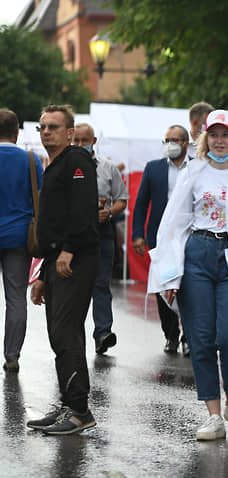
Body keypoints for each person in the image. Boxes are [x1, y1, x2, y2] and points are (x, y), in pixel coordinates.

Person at [148, 110, 228, 440]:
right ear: (205, 139)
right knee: (200, 338)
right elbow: (173, 226)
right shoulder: (194, 172)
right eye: (214, 135)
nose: (220, 141)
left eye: (226, 135)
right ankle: (214, 415)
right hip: (196, 256)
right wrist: (169, 276)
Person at [26, 104, 100, 435]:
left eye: (53, 127)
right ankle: (70, 404)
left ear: (69, 133)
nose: (46, 132)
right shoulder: (52, 165)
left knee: (66, 331)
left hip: (77, 258)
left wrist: (69, 250)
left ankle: (80, 411)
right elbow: (52, 226)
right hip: (55, 262)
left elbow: (83, 212)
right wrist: (42, 276)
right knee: (59, 334)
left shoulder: (78, 160)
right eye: (42, 127)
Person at [132, 125, 190, 355]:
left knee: (187, 288)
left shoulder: (196, 167)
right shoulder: (153, 168)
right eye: (166, 140)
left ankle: (189, 337)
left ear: (186, 143)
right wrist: (138, 234)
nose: (170, 144)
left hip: (187, 237)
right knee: (163, 285)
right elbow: (141, 203)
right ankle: (171, 336)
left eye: (175, 140)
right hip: (161, 239)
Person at [72, 123, 128, 355]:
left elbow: (122, 199)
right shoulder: (65, 167)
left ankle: (103, 333)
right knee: (74, 286)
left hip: (102, 232)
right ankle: (72, 335)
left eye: (84, 141)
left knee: (101, 283)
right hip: (73, 234)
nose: (80, 145)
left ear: (94, 141)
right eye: (76, 141)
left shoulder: (107, 168)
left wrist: (110, 212)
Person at [0, 109, 43, 373]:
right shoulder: (30, 159)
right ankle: (12, 354)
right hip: (19, 235)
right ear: (17, 133)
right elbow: (41, 196)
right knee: (16, 297)